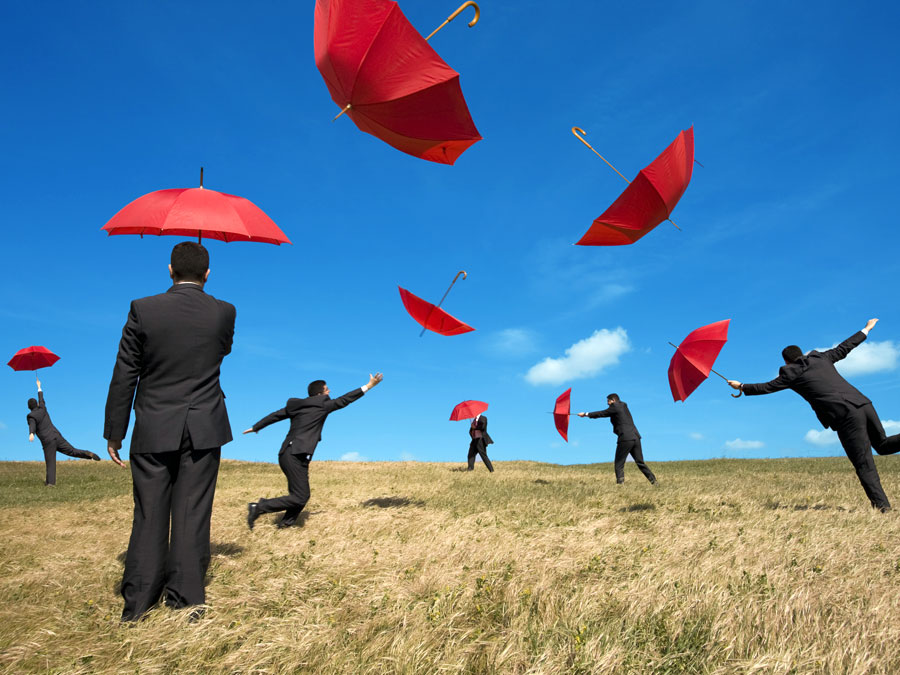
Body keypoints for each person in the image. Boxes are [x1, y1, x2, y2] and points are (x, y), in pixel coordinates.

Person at [104, 242, 236, 621]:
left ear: (169, 270)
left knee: (149, 513)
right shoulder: (224, 312)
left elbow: (125, 372)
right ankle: (186, 601)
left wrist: (116, 430)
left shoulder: (143, 309)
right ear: (207, 274)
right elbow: (222, 349)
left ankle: (139, 603)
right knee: (193, 512)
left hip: (152, 425)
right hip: (204, 426)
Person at [727, 318, 900, 511]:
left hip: (845, 416)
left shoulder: (789, 373)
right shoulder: (820, 358)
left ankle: (884, 509)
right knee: (883, 445)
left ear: (785, 361)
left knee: (864, 463)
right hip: (864, 404)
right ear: (801, 354)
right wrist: (866, 329)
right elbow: (845, 347)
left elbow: (767, 387)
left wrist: (742, 386)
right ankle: (883, 506)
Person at [244, 373, 384, 529]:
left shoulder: (297, 406)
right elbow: (345, 400)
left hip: (291, 454)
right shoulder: (322, 405)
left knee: (300, 495)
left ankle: (285, 525)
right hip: (294, 454)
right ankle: (259, 507)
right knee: (300, 496)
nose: (329, 392)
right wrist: (368, 386)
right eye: (327, 389)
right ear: (319, 394)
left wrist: (256, 427)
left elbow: (275, 415)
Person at [27, 377, 100, 485]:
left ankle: (50, 484)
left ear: (29, 407)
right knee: (72, 450)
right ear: (37, 404)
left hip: (48, 442)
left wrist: (31, 434)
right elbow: (41, 399)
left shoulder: (31, 415)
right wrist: (39, 386)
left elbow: (32, 424)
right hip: (57, 436)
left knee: (50, 462)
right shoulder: (42, 408)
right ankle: (88, 454)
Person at [578, 394, 657, 485]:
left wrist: (585, 414)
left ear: (613, 400)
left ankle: (620, 485)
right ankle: (654, 482)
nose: (608, 404)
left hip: (625, 438)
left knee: (619, 464)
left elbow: (602, 413)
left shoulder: (615, 406)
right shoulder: (623, 406)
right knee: (640, 462)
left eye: (608, 401)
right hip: (635, 437)